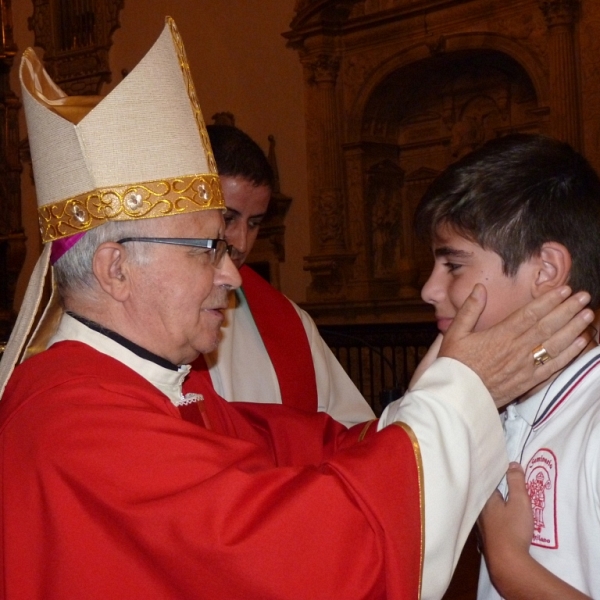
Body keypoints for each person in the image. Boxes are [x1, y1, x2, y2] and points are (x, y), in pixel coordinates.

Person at [0, 20, 593, 599]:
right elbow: (318, 552)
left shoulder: (131, 394)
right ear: (115, 269)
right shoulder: (78, 427)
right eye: (210, 248)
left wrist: (437, 397)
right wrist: (462, 390)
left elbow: (291, 452)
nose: (234, 273)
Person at [414, 133, 600, 599]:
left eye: (453, 264)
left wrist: (508, 563)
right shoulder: (500, 404)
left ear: (545, 271)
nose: (429, 290)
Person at [200, 123, 375, 426]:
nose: (241, 243)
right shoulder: (143, 317)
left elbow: (348, 429)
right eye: (228, 218)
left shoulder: (290, 322)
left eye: (254, 223)